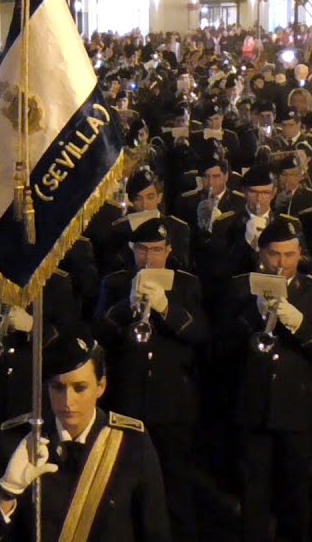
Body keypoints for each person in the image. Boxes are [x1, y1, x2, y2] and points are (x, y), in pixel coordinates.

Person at [0, 332, 172, 542]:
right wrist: (7, 494)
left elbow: (156, 531)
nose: (68, 401)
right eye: (58, 388)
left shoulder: (131, 441)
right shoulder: (18, 440)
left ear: (101, 386)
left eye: (80, 388)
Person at [94, 217, 208, 541]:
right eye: (142, 250)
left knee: (175, 485)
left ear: (169, 250)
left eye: (157, 250)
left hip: (173, 403)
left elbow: (201, 335)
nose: (149, 258)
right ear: (132, 250)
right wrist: (125, 307)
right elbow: (98, 334)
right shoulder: (115, 282)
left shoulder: (187, 284)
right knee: (126, 484)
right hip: (128, 400)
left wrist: (166, 308)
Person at [226, 218, 312, 542]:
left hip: (296, 409)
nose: (283, 263)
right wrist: (253, 316)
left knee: (296, 496)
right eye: (275, 255)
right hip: (253, 407)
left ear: (300, 253)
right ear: (261, 255)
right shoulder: (240, 287)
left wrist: (297, 323)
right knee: (254, 496)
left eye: (290, 255)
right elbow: (223, 346)